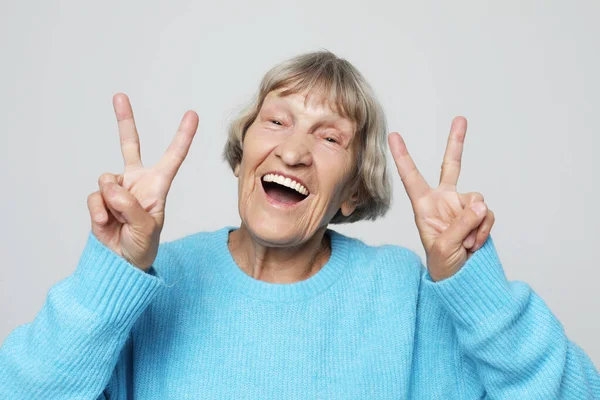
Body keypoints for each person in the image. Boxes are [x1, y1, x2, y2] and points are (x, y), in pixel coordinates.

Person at [0, 51, 598, 399]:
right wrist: (112, 275)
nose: (293, 151)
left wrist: (476, 288)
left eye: (329, 135)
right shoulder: (156, 282)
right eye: (277, 120)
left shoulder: (401, 293)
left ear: (352, 193)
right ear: (244, 152)